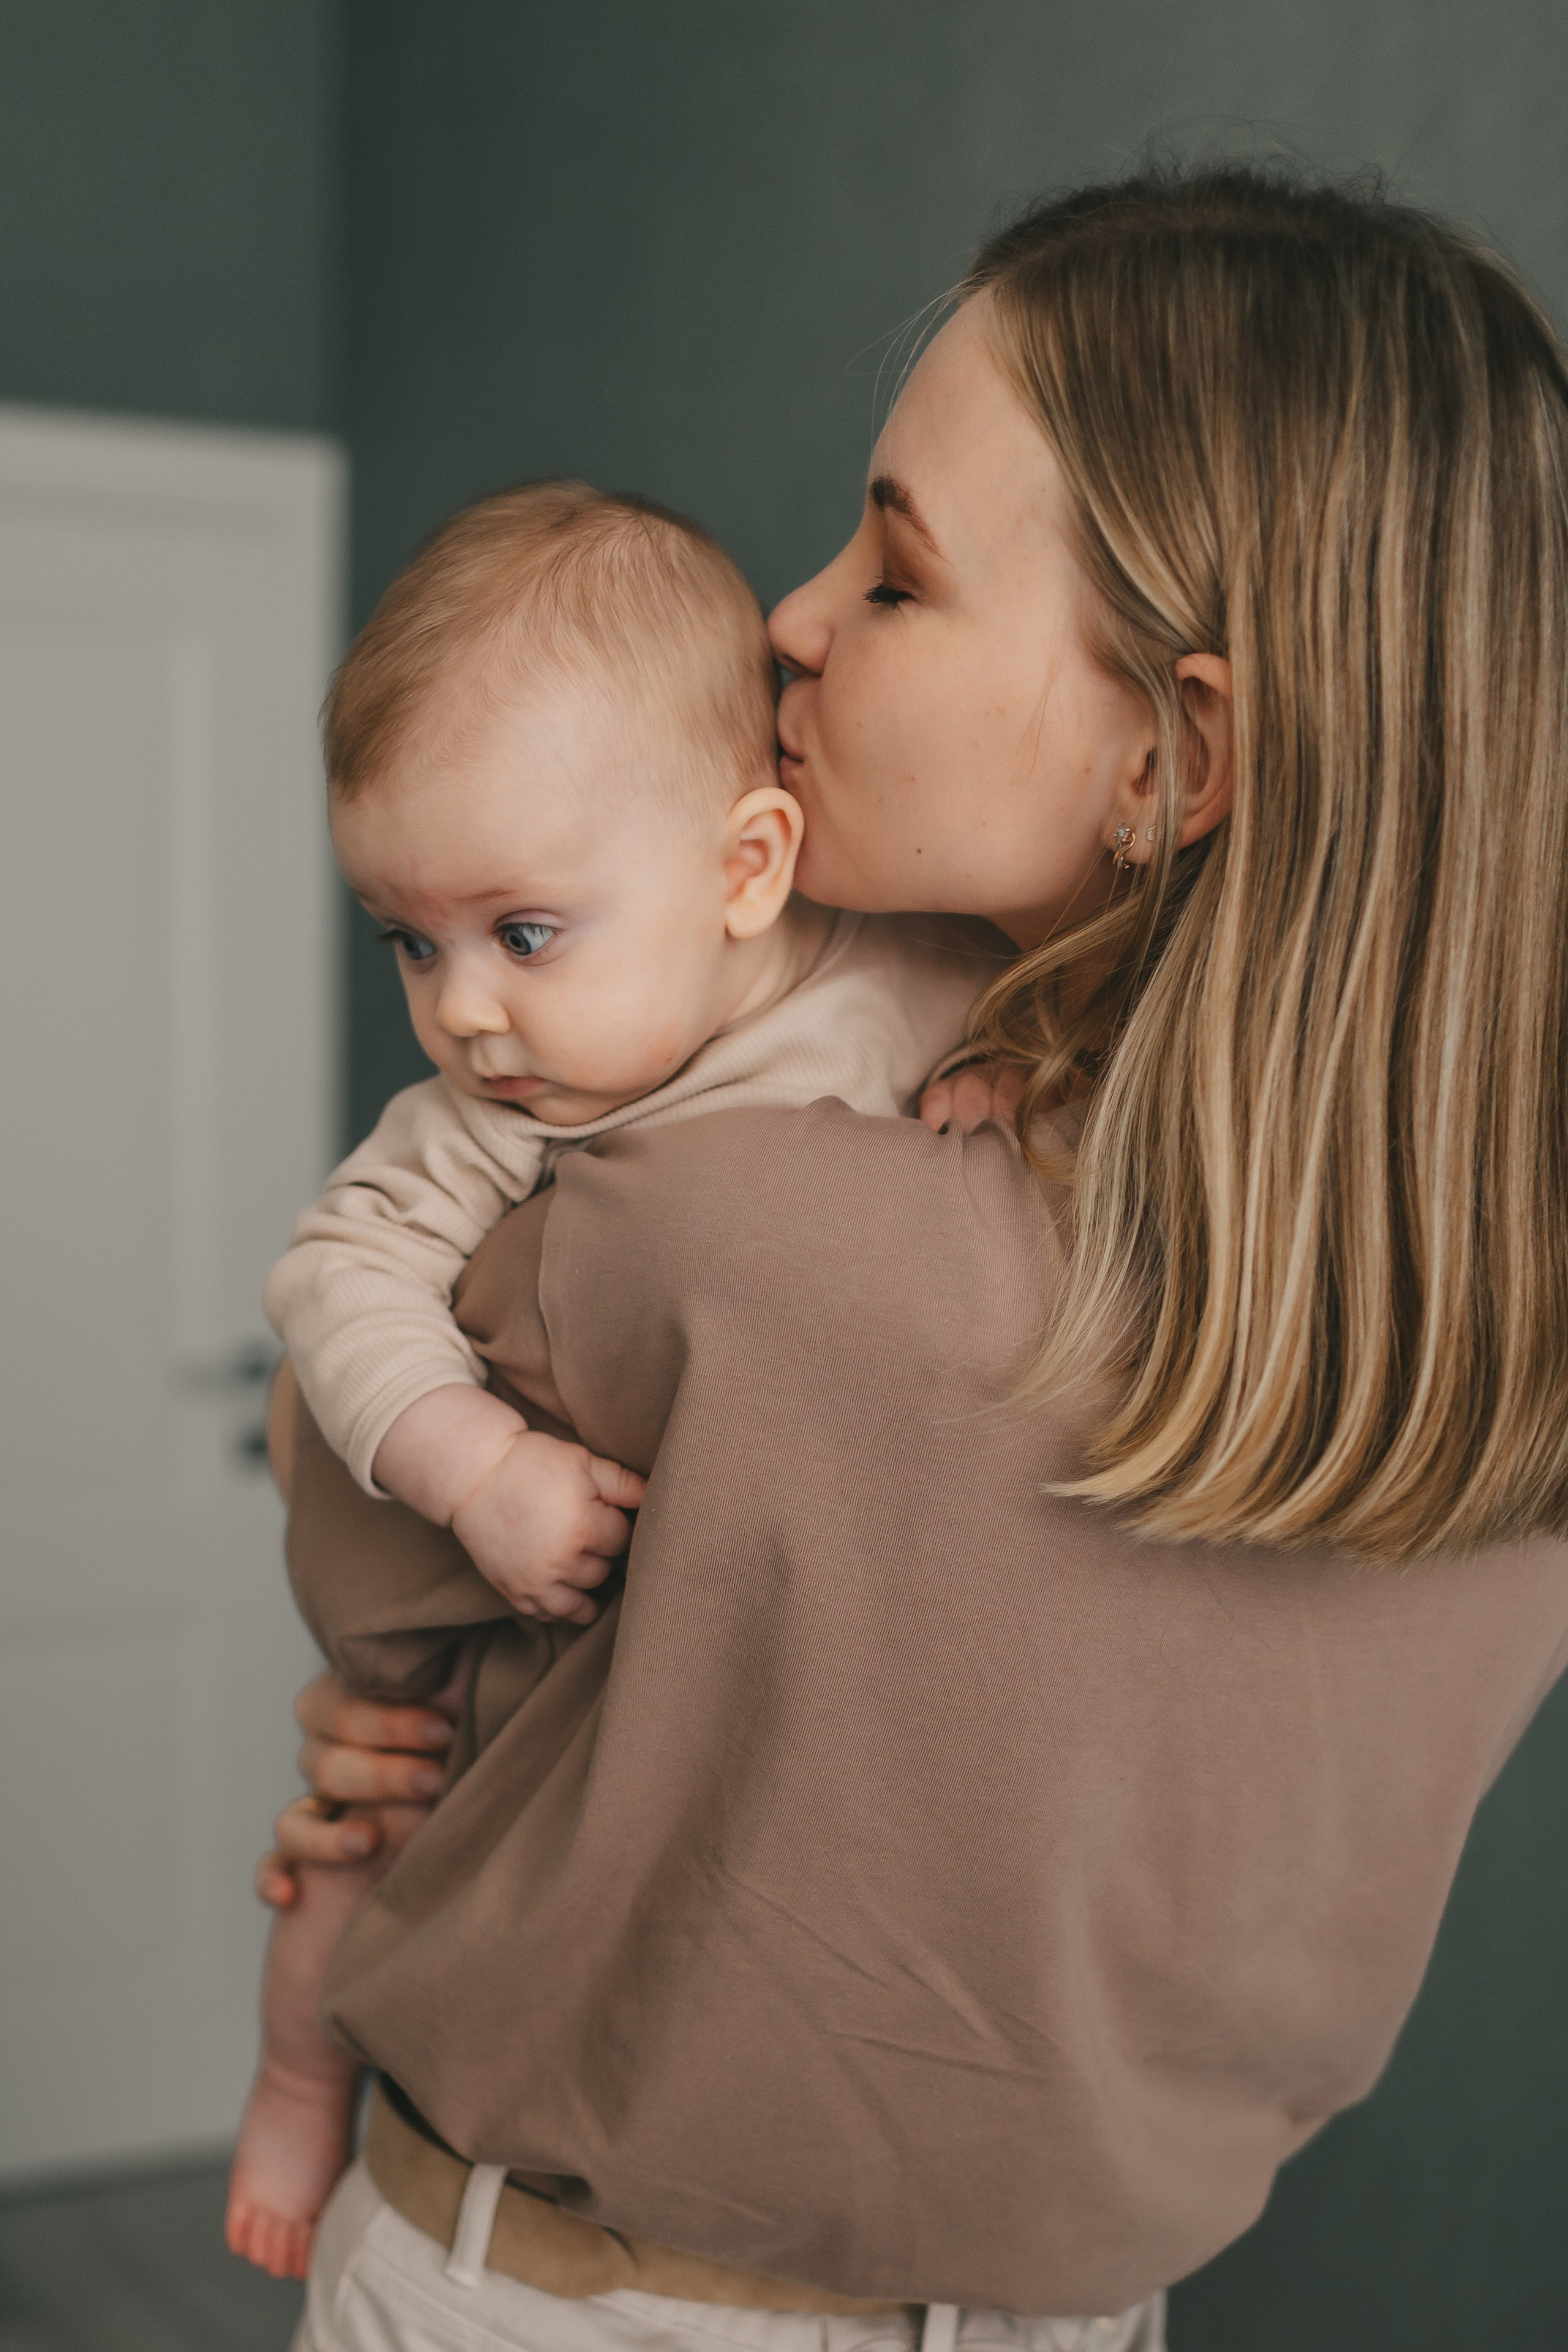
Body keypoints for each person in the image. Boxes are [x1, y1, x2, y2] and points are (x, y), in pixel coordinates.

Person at [260, 164, 1568, 2352]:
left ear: (1183, 747)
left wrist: (455, 1723)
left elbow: (362, 1543)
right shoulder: (1495, 1340)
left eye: (895, 573)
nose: (789, 614)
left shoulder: (711, 1227)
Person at [228, 480, 993, 2279]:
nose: (464, 1013)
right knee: (360, 1845)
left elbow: (1058, 1042)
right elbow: (335, 1279)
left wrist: (1026, 1070)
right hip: (467, 1639)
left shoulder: (909, 990)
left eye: (524, 933)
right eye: (412, 944)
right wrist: (472, 1463)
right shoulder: (480, 1122)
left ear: (745, 868)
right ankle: (285, 2080)